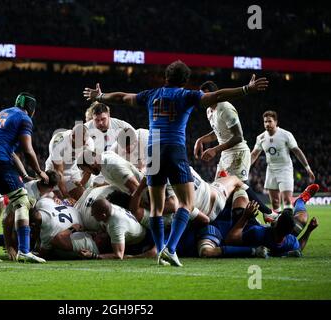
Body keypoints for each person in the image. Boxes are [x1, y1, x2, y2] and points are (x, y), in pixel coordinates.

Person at [83, 60, 268, 266]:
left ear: (166, 77)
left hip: (154, 151)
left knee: (156, 207)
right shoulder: (186, 95)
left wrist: (100, 96)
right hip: (174, 149)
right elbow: (217, 96)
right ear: (185, 81)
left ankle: (161, 248)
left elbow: (123, 97)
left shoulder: (151, 94)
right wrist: (246, 89)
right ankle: (170, 249)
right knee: (187, 204)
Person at [0, 92, 48, 263]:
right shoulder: (25, 118)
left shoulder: (1, 113)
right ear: (31, 109)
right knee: (22, 200)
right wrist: (39, 171)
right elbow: (28, 150)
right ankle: (24, 250)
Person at [225, 184, 319, 256]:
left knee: (240, 192)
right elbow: (298, 249)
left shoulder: (257, 233)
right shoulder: (290, 241)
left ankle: (225, 199)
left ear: (275, 223)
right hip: (275, 234)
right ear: (290, 232)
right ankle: (300, 200)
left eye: (277, 217)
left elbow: (230, 240)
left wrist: (245, 216)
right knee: (302, 218)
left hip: (246, 224)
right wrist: (308, 230)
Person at [251, 110, 316, 213]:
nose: (267, 124)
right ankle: (276, 226)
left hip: (285, 168)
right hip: (271, 169)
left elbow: (297, 151)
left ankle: (288, 227)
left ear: (276, 122)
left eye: (270, 121)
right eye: (265, 122)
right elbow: (254, 154)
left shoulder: (286, 135)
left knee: (286, 201)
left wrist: (308, 168)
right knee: (275, 202)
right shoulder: (261, 138)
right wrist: (244, 168)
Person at [194, 81, 251, 181]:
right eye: (201, 95)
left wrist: (214, 150)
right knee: (221, 190)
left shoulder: (225, 108)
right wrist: (201, 140)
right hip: (225, 155)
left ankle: (254, 197)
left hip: (238, 153)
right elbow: (217, 133)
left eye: (205, 94)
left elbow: (238, 137)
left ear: (213, 95)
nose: (202, 98)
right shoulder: (209, 110)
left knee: (236, 189)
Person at [44, 124, 94, 200]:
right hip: (54, 171)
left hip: (73, 170)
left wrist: (81, 183)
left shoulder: (88, 142)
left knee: (82, 198)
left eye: (85, 141)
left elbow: (89, 168)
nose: (84, 144)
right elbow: (59, 172)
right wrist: (66, 195)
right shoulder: (58, 142)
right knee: (59, 200)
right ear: (73, 137)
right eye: (82, 142)